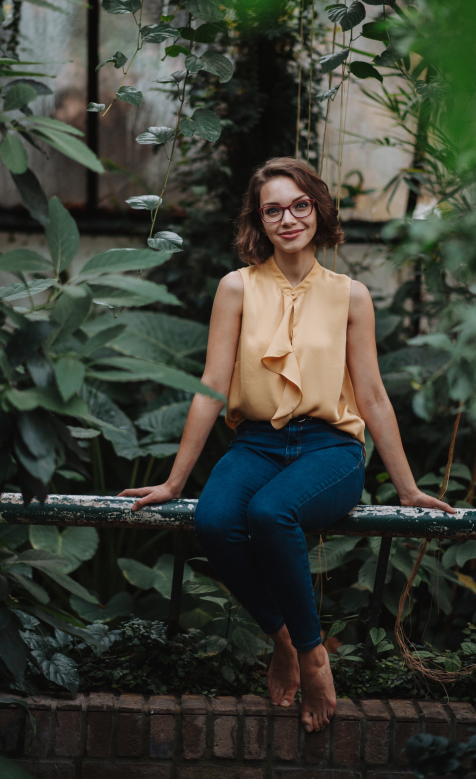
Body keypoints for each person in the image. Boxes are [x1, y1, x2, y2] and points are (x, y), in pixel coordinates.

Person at [118, 157, 456, 733]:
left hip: (331, 450)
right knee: (217, 520)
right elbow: (210, 389)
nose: (288, 218)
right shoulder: (236, 288)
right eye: (273, 209)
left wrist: (408, 487)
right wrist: (175, 482)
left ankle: (314, 655)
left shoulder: (351, 296)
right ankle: (287, 639)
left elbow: (372, 396)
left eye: (300, 205)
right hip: (255, 443)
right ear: (260, 220)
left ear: (318, 210)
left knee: (272, 513)